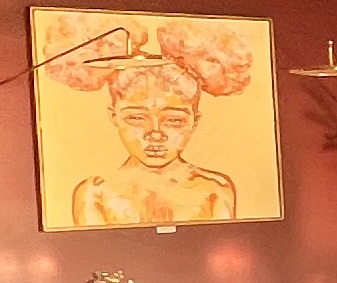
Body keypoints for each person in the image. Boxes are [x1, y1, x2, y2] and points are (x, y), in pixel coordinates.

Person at [66, 22, 253, 228]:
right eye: (136, 118)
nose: (155, 134)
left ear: (194, 121)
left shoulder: (214, 190)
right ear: (114, 116)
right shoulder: (95, 193)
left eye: (174, 121)